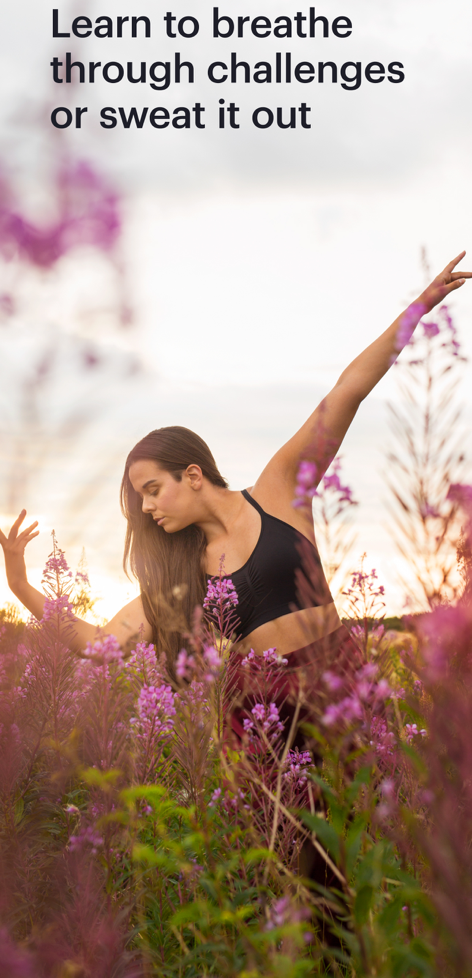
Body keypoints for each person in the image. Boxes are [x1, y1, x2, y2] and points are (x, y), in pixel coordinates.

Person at [1, 252, 470, 667]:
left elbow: (347, 392)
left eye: (152, 491)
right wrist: (21, 586)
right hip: (259, 722)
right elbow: (100, 642)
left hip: (341, 694)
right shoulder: (178, 577)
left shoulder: (278, 490)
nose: (146, 509)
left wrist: (420, 307)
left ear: (192, 474)